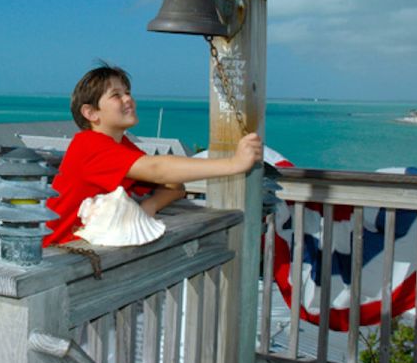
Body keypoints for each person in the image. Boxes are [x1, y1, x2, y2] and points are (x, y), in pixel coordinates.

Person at [43, 64, 263, 247]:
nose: (128, 99)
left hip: (84, 253)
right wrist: (234, 164)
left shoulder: (122, 146)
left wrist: (150, 205)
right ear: (91, 113)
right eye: (116, 95)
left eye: (128, 93)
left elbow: (174, 184)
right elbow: (157, 169)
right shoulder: (88, 145)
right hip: (55, 255)